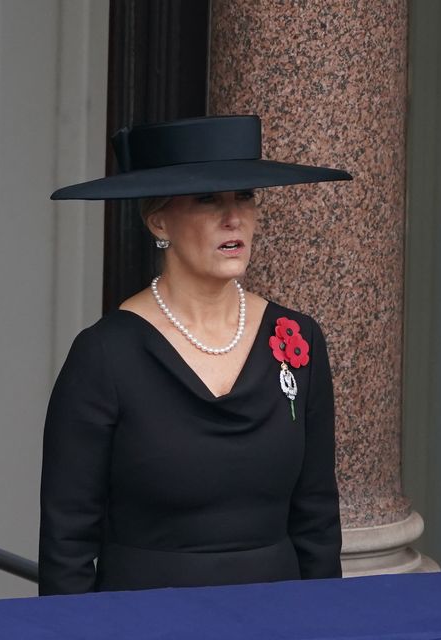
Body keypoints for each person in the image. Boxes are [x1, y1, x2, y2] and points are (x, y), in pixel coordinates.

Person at [38, 115, 350, 595]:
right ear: (157, 219)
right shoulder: (104, 354)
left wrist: (326, 620)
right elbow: (67, 541)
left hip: (279, 618)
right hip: (145, 620)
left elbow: (317, 518)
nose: (234, 218)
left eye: (244, 196)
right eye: (208, 199)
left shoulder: (297, 338)